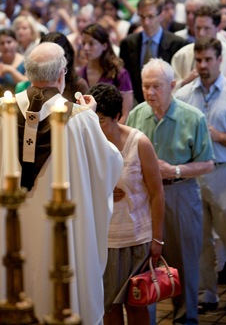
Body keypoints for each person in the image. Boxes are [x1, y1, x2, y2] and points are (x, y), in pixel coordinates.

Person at [0, 42, 123, 325]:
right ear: (62, 74)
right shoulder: (79, 119)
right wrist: (92, 116)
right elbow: (110, 164)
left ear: (28, 73)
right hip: (62, 232)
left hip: (12, 231)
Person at [127, 58, 214, 324]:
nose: (150, 93)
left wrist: (174, 170)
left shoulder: (193, 117)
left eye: (156, 86)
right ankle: (146, 319)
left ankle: (186, 318)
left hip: (180, 193)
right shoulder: (136, 114)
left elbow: (208, 163)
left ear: (172, 85)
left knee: (184, 261)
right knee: (143, 262)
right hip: (143, 197)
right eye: (145, 86)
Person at [175, 37, 226, 313]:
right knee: (199, 238)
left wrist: (217, 136)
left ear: (220, 60)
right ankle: (207, 294)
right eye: (198, 60)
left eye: (207, 60)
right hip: (194, 175)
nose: (202, 65)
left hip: (225, 173)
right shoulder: (182, 96)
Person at [88, 83, 165, 325]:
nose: (95, 126)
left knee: (137, 307)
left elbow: (157, 193)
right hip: (104, 239)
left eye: (100, 120)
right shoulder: (88, 144)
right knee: (109, 307)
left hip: (136, 237)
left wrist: (157, 239)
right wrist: (102, 191)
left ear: (117, 116)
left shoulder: (138, 143)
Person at [120, 0, 187, 104]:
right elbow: (125, 81)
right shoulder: (127, 44)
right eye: (142, 17)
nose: (146, 22)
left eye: (150, 16)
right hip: (136, 104)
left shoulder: (177, 44)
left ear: (161, 15)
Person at [172, 5, 226, 89]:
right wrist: (185, 82)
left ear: (219, 28)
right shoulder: (181, 55)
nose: (201, 33)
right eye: (198, 28)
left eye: (206, 28)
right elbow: (169, 89)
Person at [79, 23, 133, 124]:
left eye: (91, 43)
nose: (86, 48)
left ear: (104, 46)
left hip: (113, 131)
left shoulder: (119, 74)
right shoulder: (79, 73)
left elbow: (126, 114)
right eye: (83, 43)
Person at [15, 32, 89, 102]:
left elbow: (83, 112)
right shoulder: (35, 83)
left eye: (54, 60)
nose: (49, 65)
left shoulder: (78, 85)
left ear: (66, 58)